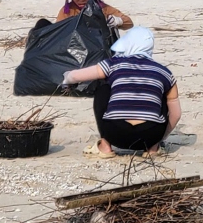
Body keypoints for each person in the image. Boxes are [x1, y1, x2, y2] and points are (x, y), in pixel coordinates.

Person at [61, 26, 181, 158]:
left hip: (116, 134)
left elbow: (75, 76)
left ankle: (105, 147)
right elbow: (176, 114)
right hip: (149, 137)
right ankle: (153, 149)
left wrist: (67, 77)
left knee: (103, 89)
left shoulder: (114, 64)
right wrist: (159, 138)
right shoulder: (165, 72)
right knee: (162, 95)